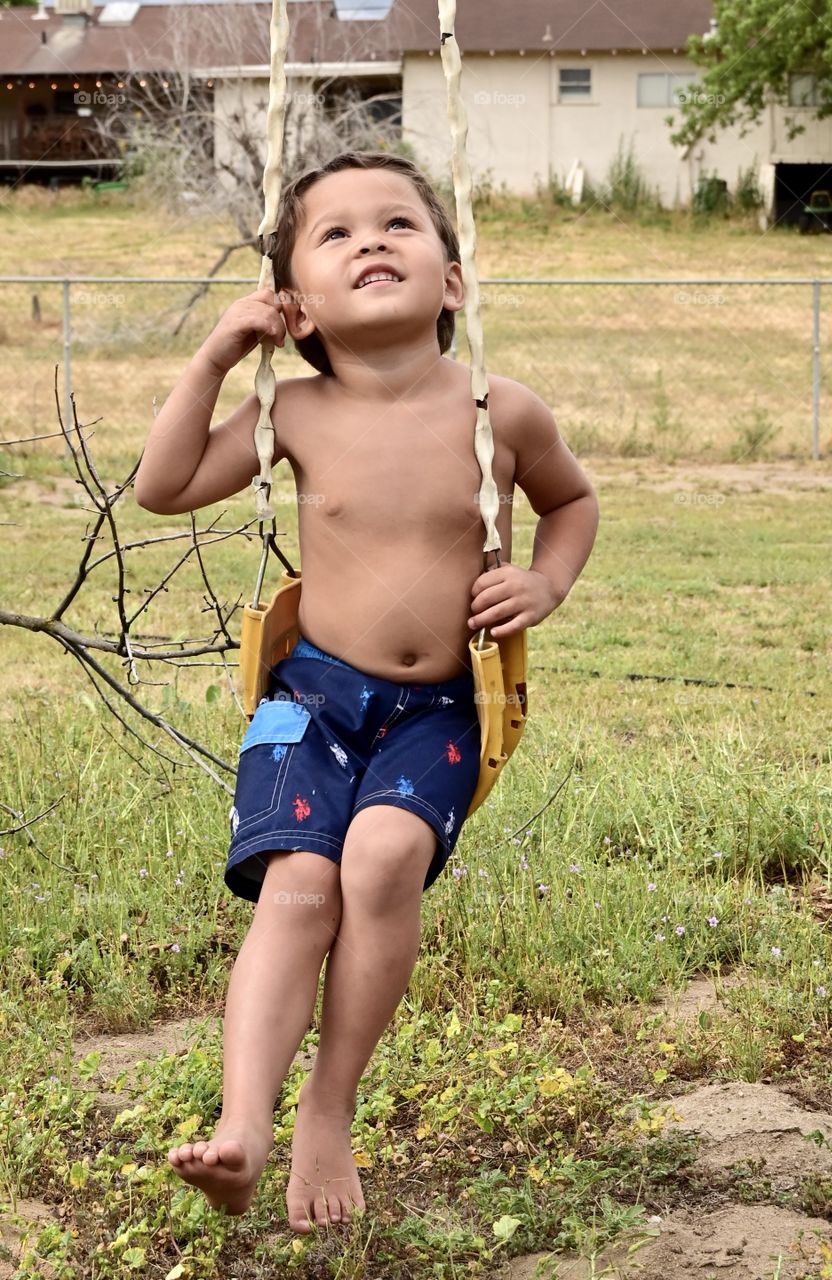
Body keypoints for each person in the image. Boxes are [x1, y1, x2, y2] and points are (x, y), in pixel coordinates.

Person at [134, 150, 599, 1233]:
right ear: (293, 302)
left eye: (398, 223)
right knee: (300, 884)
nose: (371, 241)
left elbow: (571, 502)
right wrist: (215, 354)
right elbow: (161, 487)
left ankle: (327, 1108)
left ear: (453, 279)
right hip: (310, 698)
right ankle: (243, 1124)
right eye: (336, 233)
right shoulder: (291, 413)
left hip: (439, 707)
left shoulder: (500, 408)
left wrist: (546, 578)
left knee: (383, 859)